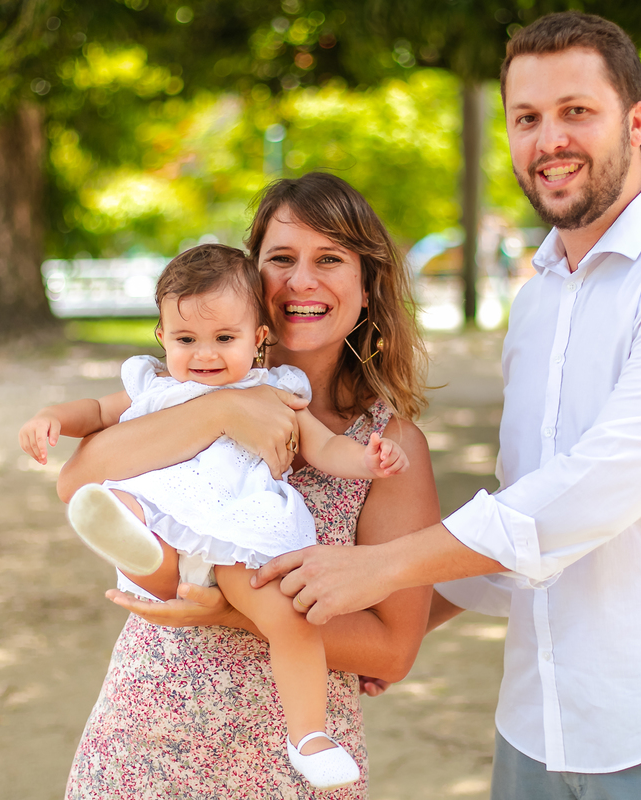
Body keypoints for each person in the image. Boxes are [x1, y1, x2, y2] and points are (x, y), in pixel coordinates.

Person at [254, 12, 641, 800]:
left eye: (577, 111)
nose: (549, 140)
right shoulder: (538, 302)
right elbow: (523, 510)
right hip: (537, 729)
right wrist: (402, 621)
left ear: (636, 121)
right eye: (527, 118)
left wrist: (380, 569)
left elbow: (589, 496)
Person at [57, 172, 438, 798]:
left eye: (330, 259)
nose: (302, 281)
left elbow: (392, 650)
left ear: (368, 286)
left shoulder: (386, 446)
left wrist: (229, 611)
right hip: (141, 745)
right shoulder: (183, 388)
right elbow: (76, 482)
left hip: (284, 770)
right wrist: (223, 410)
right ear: (251, 276)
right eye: (281, 259)